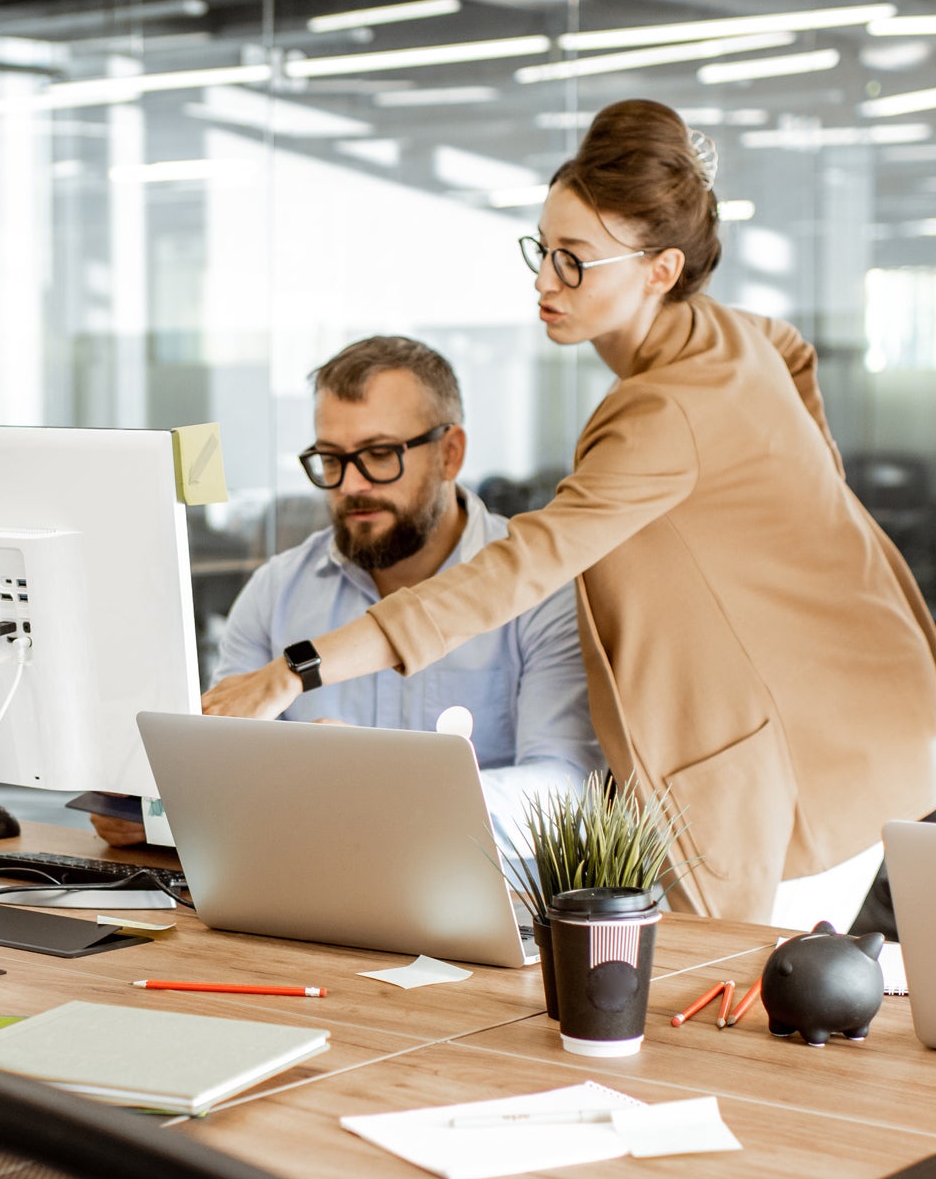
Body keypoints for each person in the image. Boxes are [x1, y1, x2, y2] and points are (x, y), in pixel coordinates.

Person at [204, 101, 936, 929]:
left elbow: (513, 571)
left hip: (821, 757)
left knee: (730, 1009)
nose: (544, 284)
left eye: (574, 263)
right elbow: (793, 351)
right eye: (542, 251)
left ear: (658, 269)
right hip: (872, 710)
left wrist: (299, 670)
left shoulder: (663, 413)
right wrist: (803, 526)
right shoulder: (731, 337)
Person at [93, 335, 601, 854]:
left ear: (451, 454)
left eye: (380, 455)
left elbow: (566, 793)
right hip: (302, 893)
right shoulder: (276, 591)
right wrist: (155, 806)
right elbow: (223, 767)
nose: (352, 485)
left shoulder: (542, 593)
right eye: (332, 459)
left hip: (487, 905)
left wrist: (379, 788)